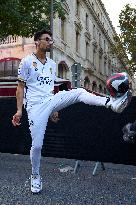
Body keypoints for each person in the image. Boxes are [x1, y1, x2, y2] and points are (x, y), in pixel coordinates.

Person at [12, 29, 131, 194]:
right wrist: (19, 111)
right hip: (34, 107)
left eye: (51, 40)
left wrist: (53, 108)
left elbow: (49, 88)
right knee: (37, 145)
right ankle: (35, 175)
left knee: (79, 92)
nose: (51, 42)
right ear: (37, 42)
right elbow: (20, 88)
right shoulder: (26, 62)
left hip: (50, 101)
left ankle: (112, 104)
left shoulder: (52, 64)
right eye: (47, 39)